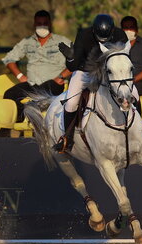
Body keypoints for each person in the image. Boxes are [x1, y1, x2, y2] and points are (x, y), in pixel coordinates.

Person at [55, 14, 129, 152]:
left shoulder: (120, 35)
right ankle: (67, 139)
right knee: (71, 103)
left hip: (109, 73)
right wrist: (70, 58)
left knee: (134, 93)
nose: (103, 41)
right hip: (85, 72)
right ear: (94, 31)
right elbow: (74, 66)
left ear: (112, 31)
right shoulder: (84, 35)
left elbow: (125, 59)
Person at [2, 10, 72, 122]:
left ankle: (33, 114)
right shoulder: (27, 42)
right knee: (9, 94)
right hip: (32, 84)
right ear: (34, 24)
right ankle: (23, 119)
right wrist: (20, 76)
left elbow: (77, 60)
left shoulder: (62, 41)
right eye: (39, 23)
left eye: (45, 23)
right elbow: (8, 59)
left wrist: (62, 76)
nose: (42, 26)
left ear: (50, 24)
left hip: (53, 83)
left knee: (44, 90)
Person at [120, 16, 142, 97]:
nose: (128, 30)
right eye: (125, 28)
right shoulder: (117, 46)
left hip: (139, 83)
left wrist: (132, 80)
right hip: (119, 82)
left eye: (131, 27)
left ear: (136, 30)